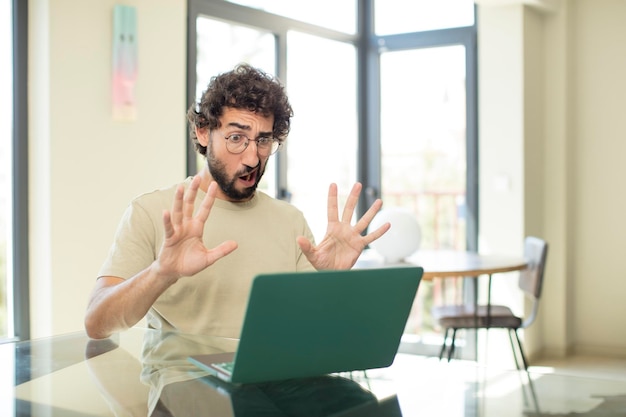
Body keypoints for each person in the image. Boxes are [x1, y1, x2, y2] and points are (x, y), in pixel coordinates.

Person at [84, 64, 390, 340]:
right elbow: (97, 324)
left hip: (273, 388)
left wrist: (330, 281)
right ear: (203, 132)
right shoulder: (153, 212)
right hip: (184, 390)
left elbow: (314, 329)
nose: (252, 157)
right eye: (236, 138)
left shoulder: (289, 221)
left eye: (263, 140)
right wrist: (161, 273)